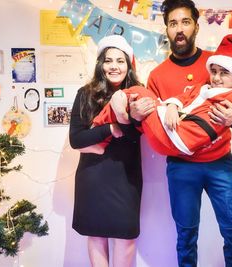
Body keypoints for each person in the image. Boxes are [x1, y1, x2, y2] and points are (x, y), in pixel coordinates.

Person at [128, 0, 232, 266]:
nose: (179, 29)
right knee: (185, 235)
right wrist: (137, 118)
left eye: (185, 22)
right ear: (167, 30)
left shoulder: (216, 63)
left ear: (196, 25)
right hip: (181, 166)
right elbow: (152, 126)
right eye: (173, 24)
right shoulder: (157, 76)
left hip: (222, 163)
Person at [93, 33, 232, 191]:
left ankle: (112, 107)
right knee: (140, 95)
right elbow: (184, 96)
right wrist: (172, 106)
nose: (216, 78)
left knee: (137, 91)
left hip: (181, 141)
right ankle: (103, 126)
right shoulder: (203, 87)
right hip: (170, 135)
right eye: (213, 72)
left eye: (224, 73)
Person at [69, 34, 143, 267]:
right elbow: (76, 139)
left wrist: (122, 121)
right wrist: (111, 127)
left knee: (126, 238)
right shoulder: (85, 94)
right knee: (96, 234)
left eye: (120, 61)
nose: (114, 66)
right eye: (108, 60)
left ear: (128, 64)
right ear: (101, 64)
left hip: (125, 177)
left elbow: (136, 136)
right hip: (93, 178)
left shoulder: (139, 94)